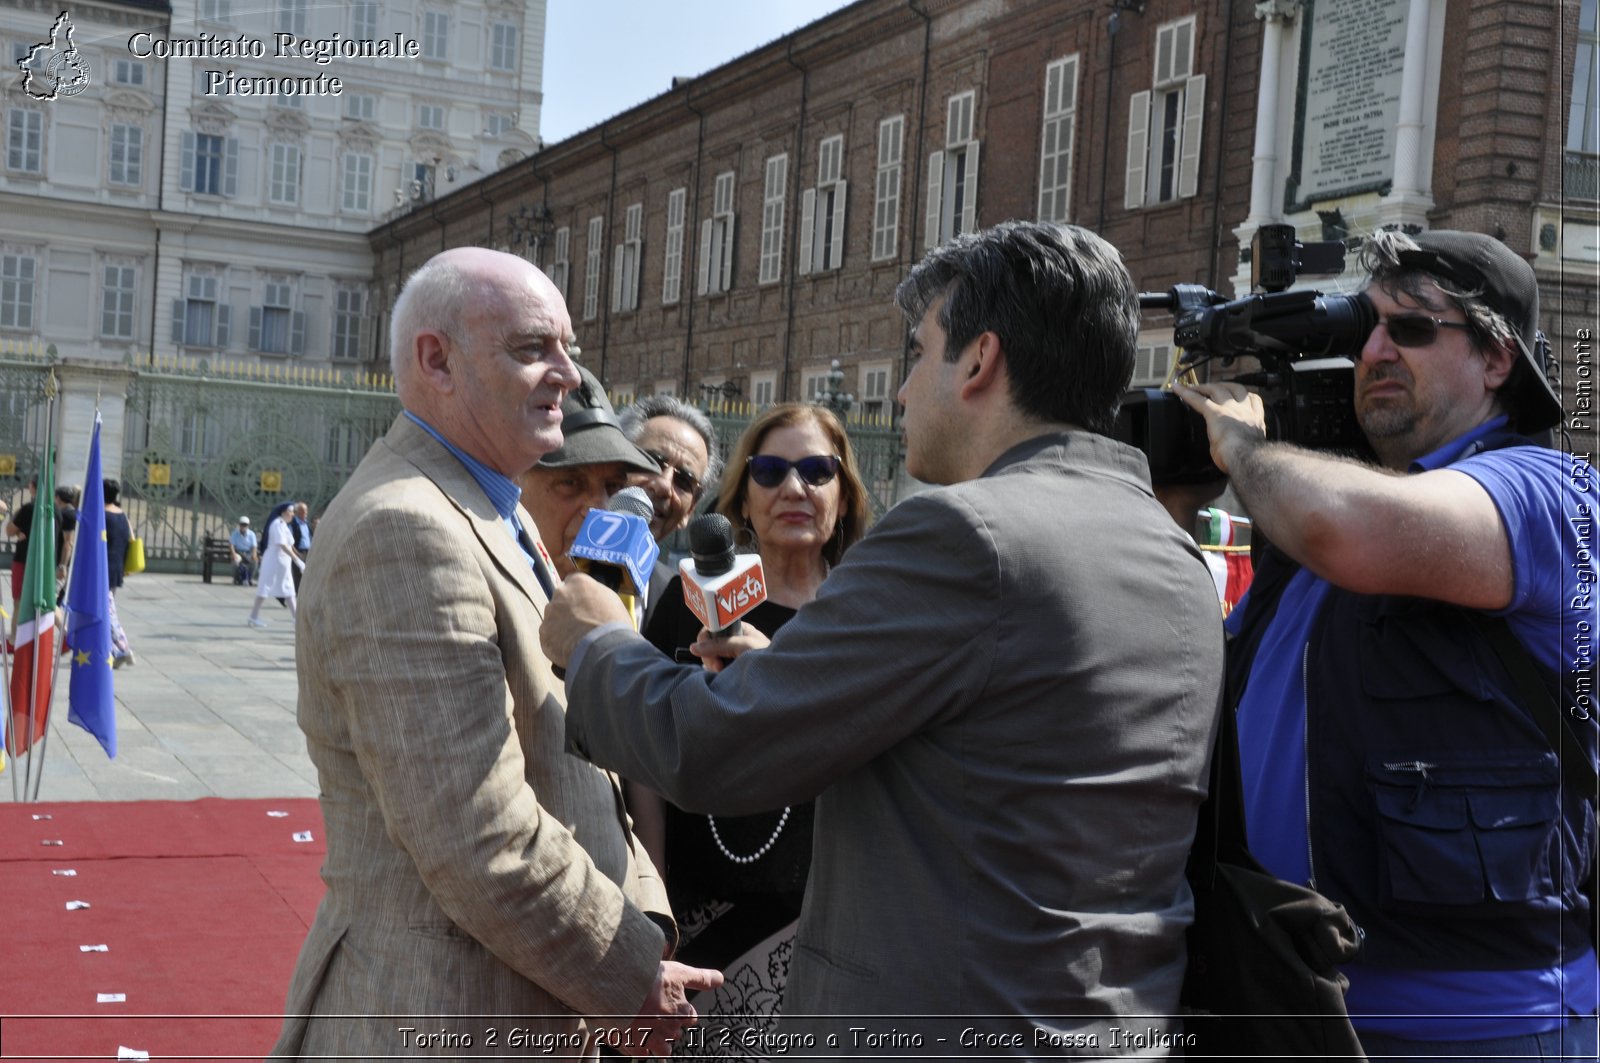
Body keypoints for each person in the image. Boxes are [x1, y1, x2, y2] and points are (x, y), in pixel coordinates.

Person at [543, 221, 1225, 1052]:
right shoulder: (1175, 551)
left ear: (979, 360)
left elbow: (713, 747)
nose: (900, 393)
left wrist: (596, 641)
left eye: (918, 351)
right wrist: (798, 673)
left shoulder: (965, 534)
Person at [268, 247, 718, 1060]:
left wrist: (642, 928)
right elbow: (479, 835)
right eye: (531, 348)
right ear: (435, 358)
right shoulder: (405, 528)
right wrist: (630, 973)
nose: (569, 376)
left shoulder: (486, 505)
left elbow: (582, 774)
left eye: (569, 347)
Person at [1175, 229, 1598, 1060]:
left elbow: (1345, 528)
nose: (1373, 351)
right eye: (1364, 327)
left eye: (1410, 329)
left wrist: (1248, 449)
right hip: (1293, 994)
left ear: (1497, 359)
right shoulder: (1326, 506)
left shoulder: (1550, 493)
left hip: (1487, 1021)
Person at [636, 403, 867, 1052]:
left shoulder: (869, 616)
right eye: (770, 471)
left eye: (817, 470)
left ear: (843, 496)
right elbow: (644, 759)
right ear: (742, 496)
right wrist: (652, 900)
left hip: (823, 920)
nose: (794, 488)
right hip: (694, 914)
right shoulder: (688, 605)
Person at [517, 363, 661, 580]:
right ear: (515, 482)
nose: (601, 509)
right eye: (570, 483)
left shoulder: (624, 599)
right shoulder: (478, 574)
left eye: (613, 487)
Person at [617, 395, 721, 626]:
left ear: (689, 511)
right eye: (651, 462)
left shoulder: (685, 607)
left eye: (683, 481)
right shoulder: (550, 563)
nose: (664, 485)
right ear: (614, 464)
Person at [247, 502, 301, 630]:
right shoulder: (277, 524)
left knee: (288, 588)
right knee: (265, 586)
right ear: (283, 512)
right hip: (274, 560)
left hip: (283, 562)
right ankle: (253, 616)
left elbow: (289, 544)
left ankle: (296, 618)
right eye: (290, 511)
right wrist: (297, 560)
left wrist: (296, 557)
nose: (293, 514)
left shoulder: (283, 525)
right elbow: (282, 545)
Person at [102, 479, 134, 667]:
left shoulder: (102, 515)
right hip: (116, 568)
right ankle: (113, 649)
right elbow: (131, 538)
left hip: (102, 569)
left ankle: (123, 648)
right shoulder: (122, 515)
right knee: (107, 607)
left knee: (107, 611)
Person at [288, 501, 313, 590]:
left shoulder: (306, 524)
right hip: (298, 552)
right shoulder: (293, 525)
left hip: (308, 552)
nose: (305, 512)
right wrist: (296, 553)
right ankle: (297, 596)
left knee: (308, 574)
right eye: (303, 510)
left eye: (306, 510)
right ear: (297, 512)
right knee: (298, 575)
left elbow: (310, 537)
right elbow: (289, 542)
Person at [228, 516, 259, 585]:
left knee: (255, 561)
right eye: (242, 524)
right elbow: (231, 545)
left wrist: (254, 555)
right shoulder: (235, 533)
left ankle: (250, 578)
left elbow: (254, 546)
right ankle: (235, 578)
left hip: (248, 552)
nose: (243, 526)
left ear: (248, 525)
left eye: (245, 525)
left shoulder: (252, 534)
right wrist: (233, 554)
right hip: (238, 552)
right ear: (239, 525)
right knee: (235, 561)